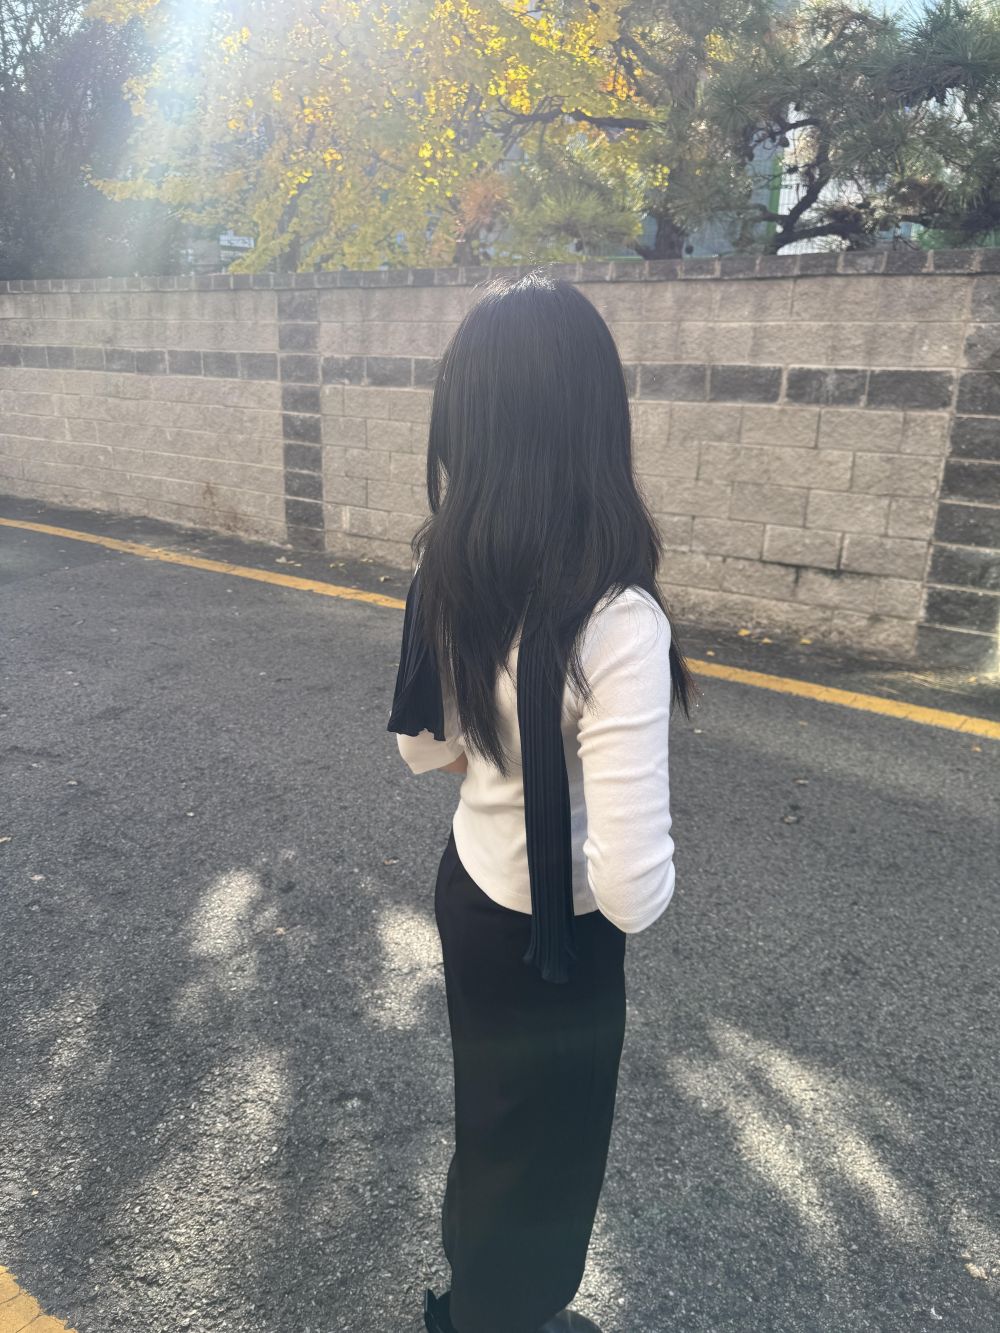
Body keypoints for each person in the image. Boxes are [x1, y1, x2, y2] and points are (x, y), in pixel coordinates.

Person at [388, 270, 696, 1333]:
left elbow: (422, 749)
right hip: (558, 943)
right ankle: (502, 1317)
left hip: (472, 891)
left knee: (492, 1119)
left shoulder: (447, 569)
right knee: (555, 1151)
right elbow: (632, 889)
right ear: (595, 426)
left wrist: (504, 763)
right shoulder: (617, 620)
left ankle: (470, 1298)